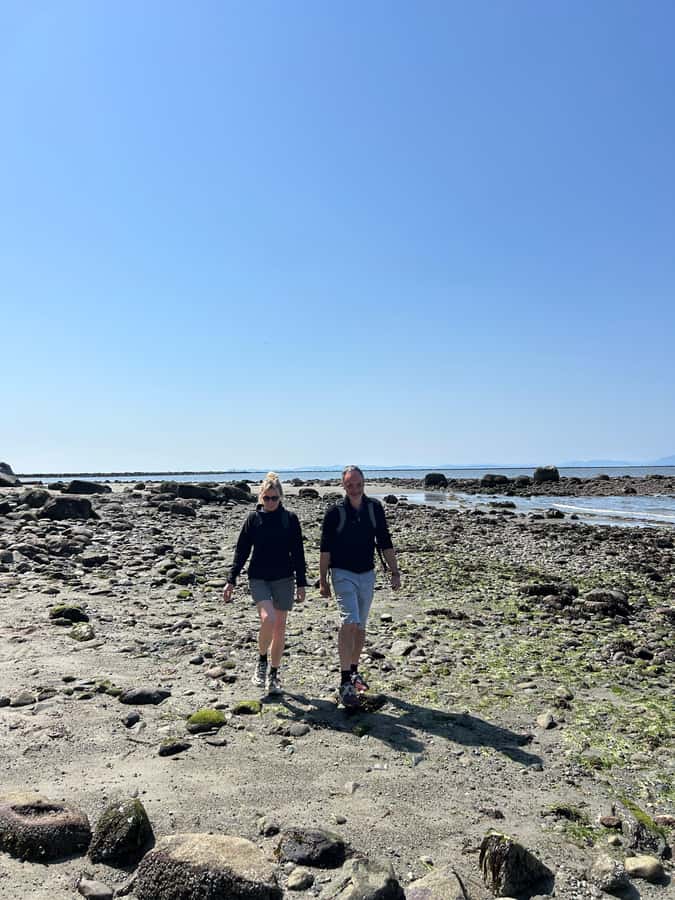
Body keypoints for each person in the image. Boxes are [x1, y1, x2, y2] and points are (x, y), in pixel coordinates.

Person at [319, 465, 401, 708]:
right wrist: (322, 580)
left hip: (367, 574)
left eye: (358, 484)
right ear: (343, 485)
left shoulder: (374, 508)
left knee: (361, 626)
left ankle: (354, 672)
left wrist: (395, 572)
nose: (354, 489)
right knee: (350, 622)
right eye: (349, 485)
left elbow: (384, 541)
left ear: (364, 484)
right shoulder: (334, 513)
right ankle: (345, 681)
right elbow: (325, 549)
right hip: (342, 573)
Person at [223, 472, 307, 694]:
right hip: (259, 577)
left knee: (280, 628)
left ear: (281, 497)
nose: (270, 502)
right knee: (268, 619)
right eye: (266, 498)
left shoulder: (289, 519)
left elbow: (298, 552)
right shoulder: (253, 519)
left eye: (274, 498)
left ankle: (274, 675)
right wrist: (231, 579)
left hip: (284, 578)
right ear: (261, 497)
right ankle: (262, 660)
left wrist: (302, 583)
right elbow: (242, 551)